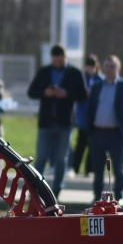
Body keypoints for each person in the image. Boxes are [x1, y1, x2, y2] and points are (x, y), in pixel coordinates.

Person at [28, 44, 87, 192]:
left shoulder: (74, 73)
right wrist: (45, 92)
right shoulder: (44, 72)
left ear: (65, 58)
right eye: (54, 60)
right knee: (41, 157)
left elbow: (83, 95)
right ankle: (36, 189)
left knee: (61, 159)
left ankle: (56, 190)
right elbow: (31, 92)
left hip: (64, 122)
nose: (57, 62)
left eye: (60, 60)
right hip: (46, 121)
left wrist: (67, 94)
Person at [84, 55, 123, 203]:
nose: (109, 69)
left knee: (118, 168)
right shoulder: (97, 87)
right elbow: (91, 109)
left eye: (112, 66)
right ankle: (97, 197)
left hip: (116, 133)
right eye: (106, 66)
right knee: (98, 169)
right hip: (97, 133)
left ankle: (119, 196)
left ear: (118, 68)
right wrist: (89, 130)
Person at [71, 54, 103, 177]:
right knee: (80, 144)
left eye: (93, 66)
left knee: (93, 146)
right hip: (83, 117)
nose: (90, 69)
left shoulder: (100, 79)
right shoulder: (81, 78)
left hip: (96, 118)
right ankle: (75, 168)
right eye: (88, 66)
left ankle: (89, 170)